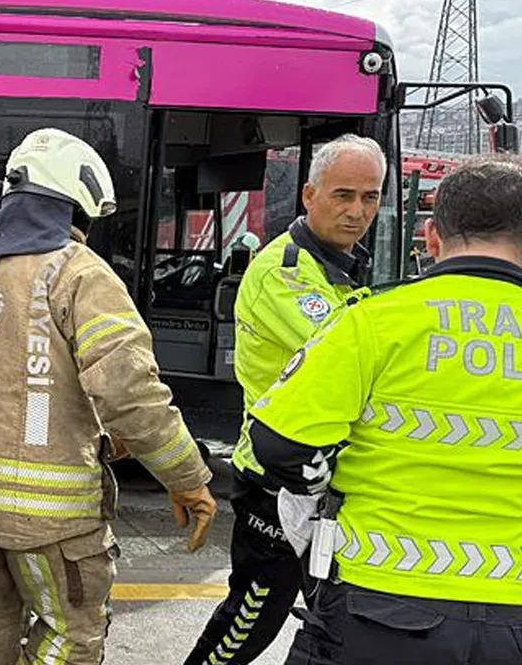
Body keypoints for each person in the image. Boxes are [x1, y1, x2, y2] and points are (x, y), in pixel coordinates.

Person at [0, 128, 216, 665]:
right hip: (51, 522)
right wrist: (188, 479)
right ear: (78, 204)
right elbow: (132, 395)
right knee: (70, 638)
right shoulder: (79, 272)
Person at [248, 155, 522, 665]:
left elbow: (279, 443)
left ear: (432, 239)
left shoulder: (372, 321)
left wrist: (319, 491)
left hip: (379, 607)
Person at [185, 134, 384, 665]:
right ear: (309, 196)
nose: (357, 210)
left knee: (331, 617)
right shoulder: (287, 272)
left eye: (370, 196)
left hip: (321, 479)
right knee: (248, 622)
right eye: (343, 195)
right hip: (277, 480)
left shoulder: (340, 265)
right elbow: (356, 364)